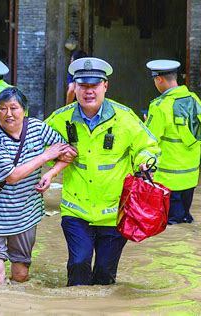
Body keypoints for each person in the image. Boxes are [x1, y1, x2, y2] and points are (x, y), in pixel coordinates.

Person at [45, 57, 160, 286]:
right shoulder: (60, 119)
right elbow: (38, 148)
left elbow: (147, 145)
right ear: (74, 88)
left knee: (105, 275)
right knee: (78, 264)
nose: (89, 91)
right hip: (76, 211)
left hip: (115, 213)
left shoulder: (125, 118)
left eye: (94, 85)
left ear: (105, 86)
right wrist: (55, 156)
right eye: (83, 85)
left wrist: (145, 162)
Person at [0, 87, 76, 286]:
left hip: (25, 214)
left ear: (25, 110)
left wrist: (50, 173)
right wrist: (46, 156)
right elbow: (12, 176)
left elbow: (70, 152)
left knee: (20, 276)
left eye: (14, 108)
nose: (8, 114)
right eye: (2, 109)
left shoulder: (38, 129)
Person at [145, 59, 201, 225]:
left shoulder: (159, 106)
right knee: (185, 220)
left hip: (168, 180)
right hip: (191, 177)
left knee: (169, 228)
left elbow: (148, 141)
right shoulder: (194, 99)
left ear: (159, 79)